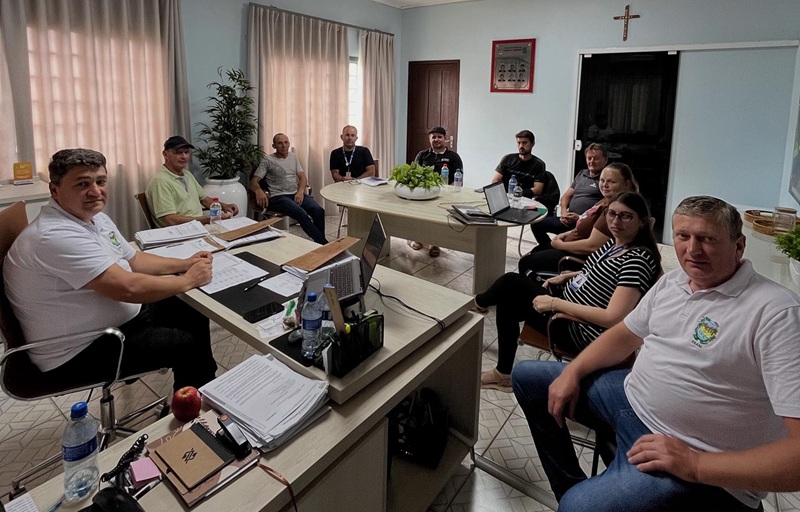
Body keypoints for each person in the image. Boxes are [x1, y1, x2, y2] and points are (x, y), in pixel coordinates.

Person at [513, 195, 800, 511]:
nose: (692, 250)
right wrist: (573, 370)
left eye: (707, 239)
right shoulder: (675, 281)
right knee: (528, 377)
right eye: (683, 236)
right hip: (629, 401)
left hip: (691, 452)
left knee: (578, 507)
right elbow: (625, 334)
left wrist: (694, 464)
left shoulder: (776, 313)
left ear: (739, 245)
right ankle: (576, 488)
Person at [3, 148, 218, 391]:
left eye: (101, 181)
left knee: (191, 310)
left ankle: (200, 390)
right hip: (80, 350)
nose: (95, 191)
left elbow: (135, 259)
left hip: (115, 324)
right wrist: (188, 280)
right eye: (83, 184)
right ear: (55, 190)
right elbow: (127, 288)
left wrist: (185, 263)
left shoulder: (95, 218)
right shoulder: (53, 235)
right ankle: (195, 407)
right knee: (187, 344)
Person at [476, 191, 661, 393]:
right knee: (508, 299)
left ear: (642, 222)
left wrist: (555, 303)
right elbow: (601, 271)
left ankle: (478, 305)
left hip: (578, 328)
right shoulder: (617, 242)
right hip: (568, 306)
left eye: (626, 216)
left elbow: (612, 317)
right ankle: (502, 373)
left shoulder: (637, 261)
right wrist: (570, 275)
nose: (616, 221)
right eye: (612, 213)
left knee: (510, 283)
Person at [519, 163, 638, 277]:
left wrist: (561, 245)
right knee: (537, 249)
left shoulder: (613, 211)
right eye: (602, 180)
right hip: (570, 243)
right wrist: (563, 235)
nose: (605, 185)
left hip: (575, 256)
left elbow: (592, 246)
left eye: (611, 182)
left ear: (626, 184)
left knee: (526, 263)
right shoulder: (605, 200)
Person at [250, 133, 327, 245]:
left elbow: (303, 177)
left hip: (295, 194)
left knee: (318, 210)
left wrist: (300, 192)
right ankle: (324, 244)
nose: (284, 146)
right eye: (280, 143)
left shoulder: (293, 157)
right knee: (301, 214)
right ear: (274, 146)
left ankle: (319, 244)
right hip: (278, 197)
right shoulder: (268, 160)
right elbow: (254, 181)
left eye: (286, 142)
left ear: (289, 144)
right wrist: (258, 191)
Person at [146, 135, 239, 227]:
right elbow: (170, 220)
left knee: (239, 230)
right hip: (181, 231)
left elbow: (205, 200)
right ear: (165, 154)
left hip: (199, 227)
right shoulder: (160, 181)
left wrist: (224, 206)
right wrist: (209, 219)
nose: (184, 157)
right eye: (178, 153)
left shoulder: (187, 174)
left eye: (186, 152)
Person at [531, 143, 608, 250]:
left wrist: (580, 217)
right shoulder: (582, 174)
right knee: (536, 224)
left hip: (585, 225)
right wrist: (564, 214)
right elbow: (566, 197)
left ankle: (551, 249)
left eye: (596, 158)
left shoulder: (605, 181)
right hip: (567, 220)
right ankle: (549, 248)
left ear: (605, 160)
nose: (592, 161)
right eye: (589, 158)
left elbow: (603, 206)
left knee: (545, 247)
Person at [409, 126, 464, 257]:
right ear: (429, 139)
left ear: (445, 139)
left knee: (437, 218)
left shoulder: (454, 156)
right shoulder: (422, 155)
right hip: (424, 193)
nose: (436, 139)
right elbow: (414, 174)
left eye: (440, 137)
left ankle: (435, 243)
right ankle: (418, 238)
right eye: (433, 137)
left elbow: (459, 179)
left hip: (444, 195)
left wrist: (448, 192)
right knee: (419, 215)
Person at [492, 130, 557, 213]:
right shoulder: (508, 159)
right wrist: (503, 195)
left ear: (532, 144)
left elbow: (538, 189)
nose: (521, 146)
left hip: (524, 201)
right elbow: (496, 180)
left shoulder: (539, 164)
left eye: (524, 143)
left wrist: (518, 194)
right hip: (505, 198)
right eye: (519, 143)